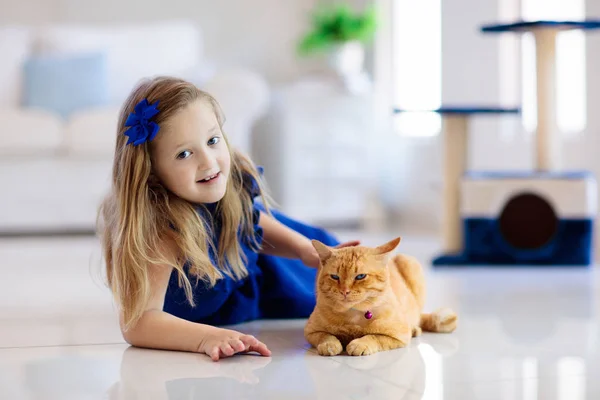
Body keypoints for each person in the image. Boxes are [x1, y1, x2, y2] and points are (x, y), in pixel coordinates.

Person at [98, 76, 358, 361]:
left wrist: (301, 248)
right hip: (234, 285)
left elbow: (252, 221)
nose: (208, 162)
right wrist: (206, 337)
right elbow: (138, 323)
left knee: (336, 279)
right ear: (152, 171)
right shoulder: (161, 231)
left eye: (212, 140)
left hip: (257, 267)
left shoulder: (226, 186)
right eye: (184, 153)